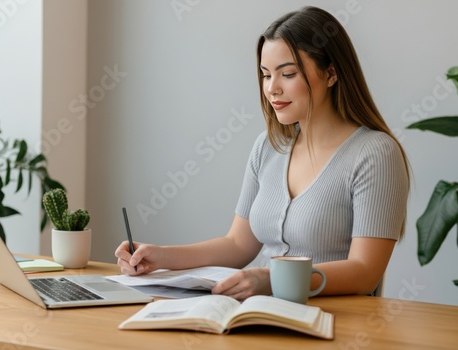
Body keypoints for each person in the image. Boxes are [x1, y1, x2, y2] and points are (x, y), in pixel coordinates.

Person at [115, 6, 410, 300]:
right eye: (266, 75)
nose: (272, 89)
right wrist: (159, 257)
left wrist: (273, 280)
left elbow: (365, 271)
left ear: (331, 73)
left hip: (337, 323)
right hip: (263, 313)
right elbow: (238, 245)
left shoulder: (375, 154)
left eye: (288, 74)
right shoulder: (267, 147)